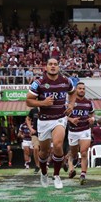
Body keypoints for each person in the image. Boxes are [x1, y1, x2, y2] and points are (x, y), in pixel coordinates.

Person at [26, 58, 77, 189]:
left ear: (58, 67)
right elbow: (28, 101)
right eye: (50, 64)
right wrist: (43, 103)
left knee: (58, 145)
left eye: (55, 64)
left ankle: (56, 175)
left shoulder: (66, 81)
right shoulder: (38, 83)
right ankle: (44, 173)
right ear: (46, 67)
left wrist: (71, 104)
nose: (53, 66)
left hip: (59, 118)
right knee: (44, 152)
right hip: (43, 120)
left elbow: (73, 92)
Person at [67, 81, 94, 184]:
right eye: (80, 88)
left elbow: (92, 114)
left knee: (83, 152)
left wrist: (92, 119)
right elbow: (63, 116)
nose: (82, 90)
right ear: (76, 90)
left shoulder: (89, 102)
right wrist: (71, 120)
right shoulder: (70, 102)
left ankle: (83, 175)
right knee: (73, 154)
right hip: (73, 131)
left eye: (83, 88)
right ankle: (71, 168)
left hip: (85, 130)